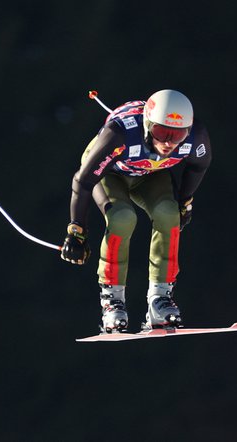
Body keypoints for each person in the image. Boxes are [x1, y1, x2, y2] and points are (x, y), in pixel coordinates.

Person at [60, 89, 212, 333]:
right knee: (122, 217)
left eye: (178, 135)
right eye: (162, 132)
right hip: (110, 174)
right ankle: (112, 302)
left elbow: (198, 166)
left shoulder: (196, 136)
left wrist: (184, 202)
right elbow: (83, 180)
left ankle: (160, 300)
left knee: (168, 213)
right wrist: (76, 230)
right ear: (148, 124)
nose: (169, 143)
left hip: (149, 173)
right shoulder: (119, 134)